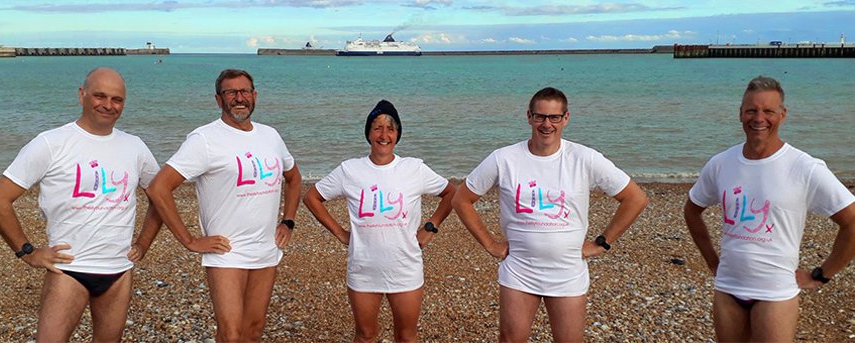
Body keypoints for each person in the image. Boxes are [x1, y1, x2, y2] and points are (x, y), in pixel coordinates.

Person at [452, 87, 649, 342]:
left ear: (565, 118)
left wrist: (603, 242)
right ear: (529, 117)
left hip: (567, 271)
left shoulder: (584, 158)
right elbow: (462, 199)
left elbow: (635, 198)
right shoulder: (504, 158)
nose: (547, 124)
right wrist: (490, 244)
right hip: (519, 269)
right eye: (540, 116)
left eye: (554, 117)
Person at [0, 67, 164, 342]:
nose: (108, 105)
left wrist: (143, 243)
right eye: (99, 96)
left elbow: (160, 196)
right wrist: (28, 252)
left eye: (117, 99)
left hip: (118, 270)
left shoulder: (135, 146)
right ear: (82, 95)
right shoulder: (51, 143)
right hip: (68, 269)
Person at [683, 76, 855, 342]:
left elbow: (851, 221)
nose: (758, 118)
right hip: (728, 288)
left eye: (768, 111)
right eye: (751, 110)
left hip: (775, 293)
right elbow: (692, 209)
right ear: (740, 114)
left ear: (782, 115)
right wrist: (712, 261)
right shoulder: (721, 163)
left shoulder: (805, 167)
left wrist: (822, 275)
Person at [145, 68, 302, 342]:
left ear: (255, 96)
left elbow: (294, 177)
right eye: (231, 92)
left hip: (266, 247)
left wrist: (288, 221)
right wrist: (189, 240)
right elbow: (159, 188)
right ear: (219, 100)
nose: (239, 98)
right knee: (230, 333)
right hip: (227, 251)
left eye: (244, 91)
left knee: (253, 331)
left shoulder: (270, 135)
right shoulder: (205, 139)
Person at [302, 100, 455, 342]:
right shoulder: (350, 170)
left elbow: (451, 193)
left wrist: (431, 226)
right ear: (368, 134)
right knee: (365, 335)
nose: (384, 134)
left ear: (397, 135)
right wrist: (341, 233)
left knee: (406, 336)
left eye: (390, 128)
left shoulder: (414, 168)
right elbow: (312, 197)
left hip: (405, 267)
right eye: (377, 127)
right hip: (363, 268)